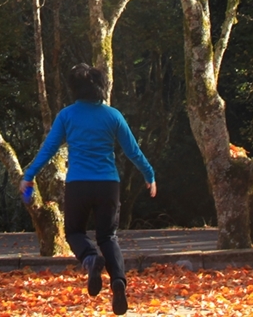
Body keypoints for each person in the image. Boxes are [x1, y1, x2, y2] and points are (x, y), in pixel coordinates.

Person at [20, 63, 156, 316]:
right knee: (108, 236)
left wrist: (29, 176)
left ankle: (90, 259)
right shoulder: (113, 115)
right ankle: (118, 281)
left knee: (73, 232)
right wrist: (149, 175)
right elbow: (132, 151)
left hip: (79, 184)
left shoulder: (67, 115)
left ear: (75, 89)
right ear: (101, 87)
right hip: (108, 185)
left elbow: (49, 149)